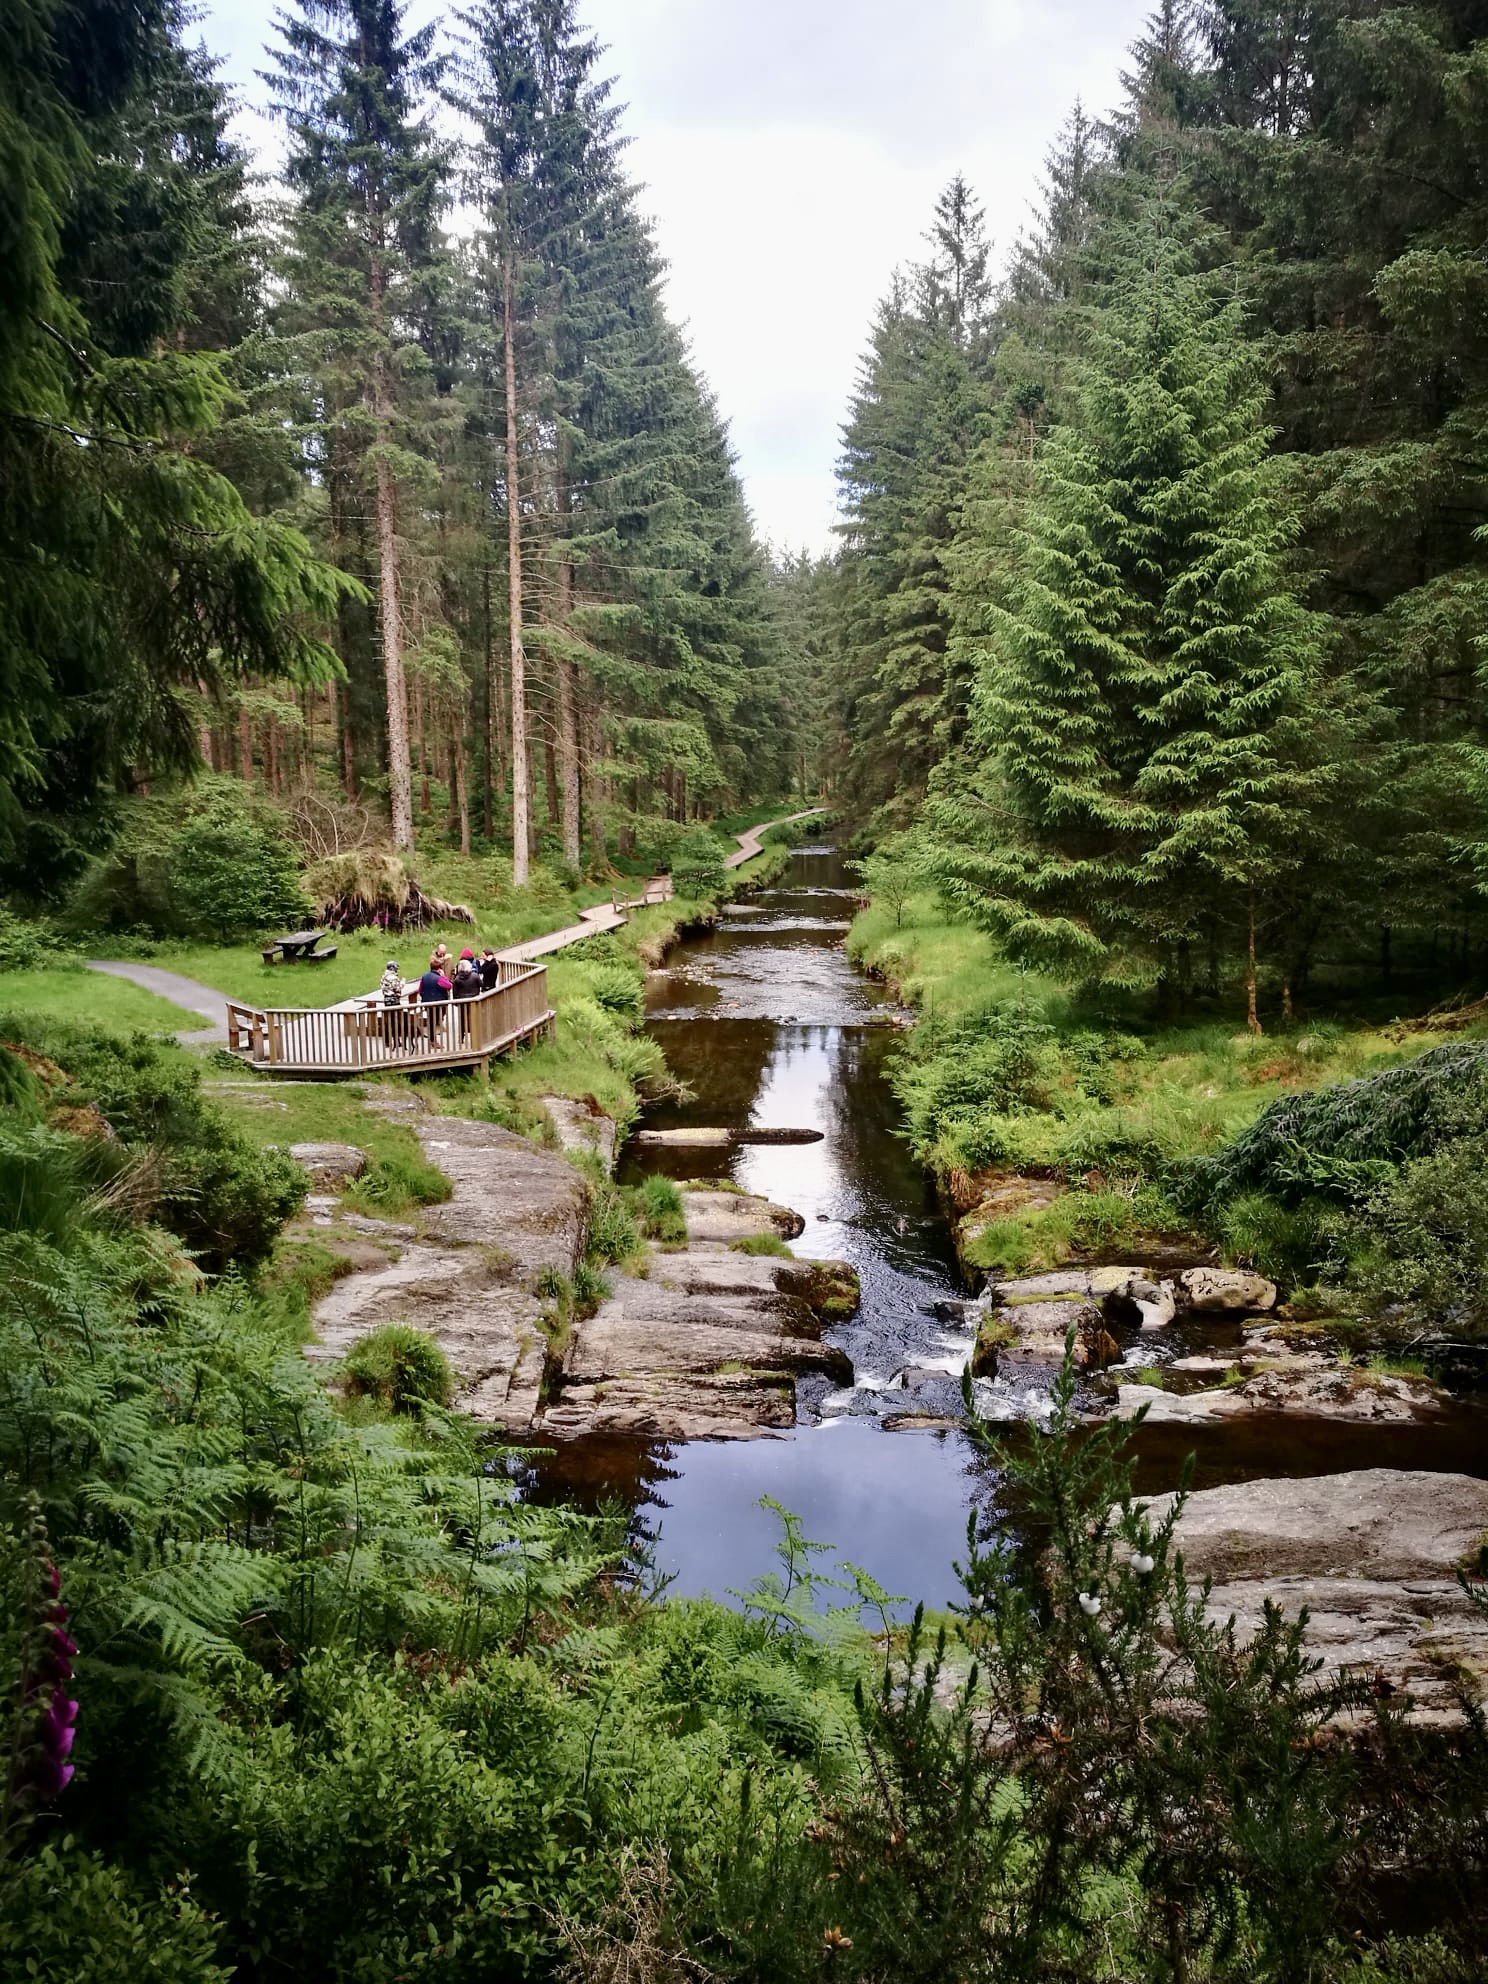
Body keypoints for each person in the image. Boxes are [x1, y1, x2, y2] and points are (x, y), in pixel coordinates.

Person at [417, 954, 451, 1047]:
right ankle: (433, 1041)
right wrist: (444, 976)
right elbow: (449, 986)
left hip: (427, 1002)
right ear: (439, 969)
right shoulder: (439, 978)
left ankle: (432, 1040)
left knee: (431, 1021)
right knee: (434, 1022)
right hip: (438, 1003)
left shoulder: (424, 977)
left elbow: (420, 990)